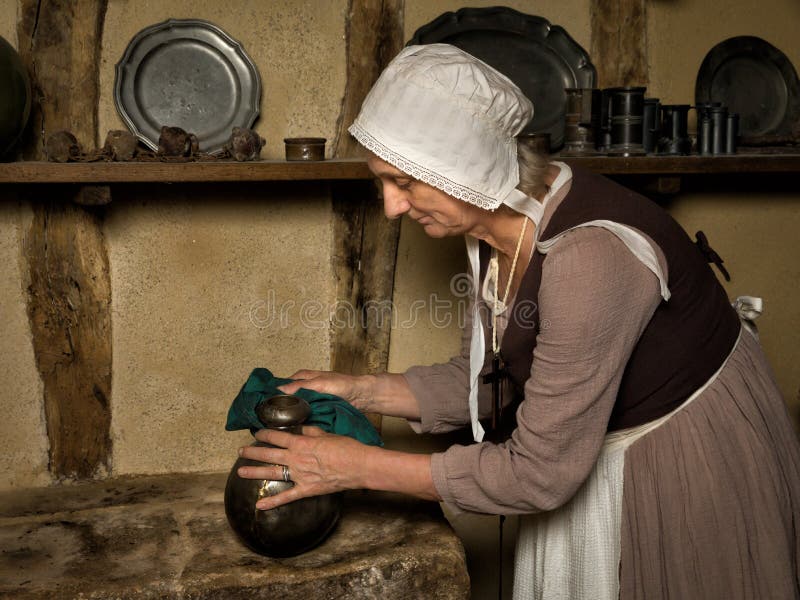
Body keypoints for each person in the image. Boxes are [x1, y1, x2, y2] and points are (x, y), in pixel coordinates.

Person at [236, 44, 800, 599]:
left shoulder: (589, 260)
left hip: (679, 461)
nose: (391, 208)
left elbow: (540, 474)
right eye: (382, 182)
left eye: (404, 183)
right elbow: (485, 380)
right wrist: (362, 390)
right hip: (576, 451)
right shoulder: (495, 232)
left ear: (462, 168)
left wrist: (354, 467)